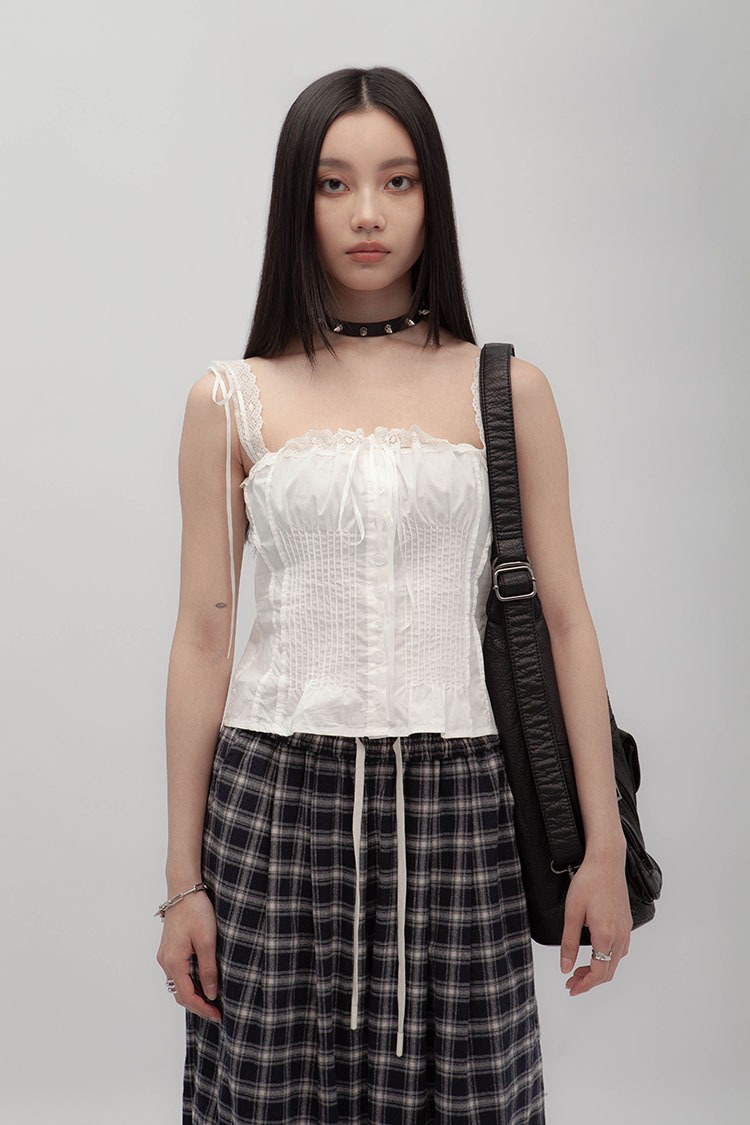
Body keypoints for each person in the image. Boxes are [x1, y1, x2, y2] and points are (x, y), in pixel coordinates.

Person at [156, 66, 632, 1125]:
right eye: (333, 184)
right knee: (270, 1098)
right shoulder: (230, 400)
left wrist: (601, 849)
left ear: (432, 198)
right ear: (297, 202)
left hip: (461, 804)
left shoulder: (506, 390)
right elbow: (202, 637)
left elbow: (565, 623)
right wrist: (183, 883)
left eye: (398, 181)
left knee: (469, 1098)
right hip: (272, 802)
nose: (367, 212)